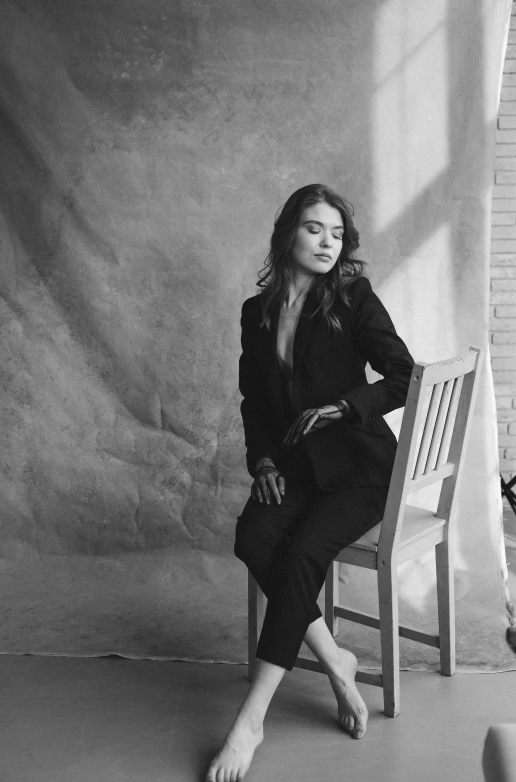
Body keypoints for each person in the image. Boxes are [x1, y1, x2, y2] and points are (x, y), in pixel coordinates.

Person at [205, 183, 415, 782]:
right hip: (297, 466)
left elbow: (403, 375)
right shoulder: (257, 311)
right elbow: (255, 403)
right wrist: (265, 463)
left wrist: (346, 408)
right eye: (314, 229)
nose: (328, 242)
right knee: (252, 536)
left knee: (300, 552)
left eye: (337, 233)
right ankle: (337, 659)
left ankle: (251, 720)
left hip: (360, 471)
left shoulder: (353, 297)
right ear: (288, 233)